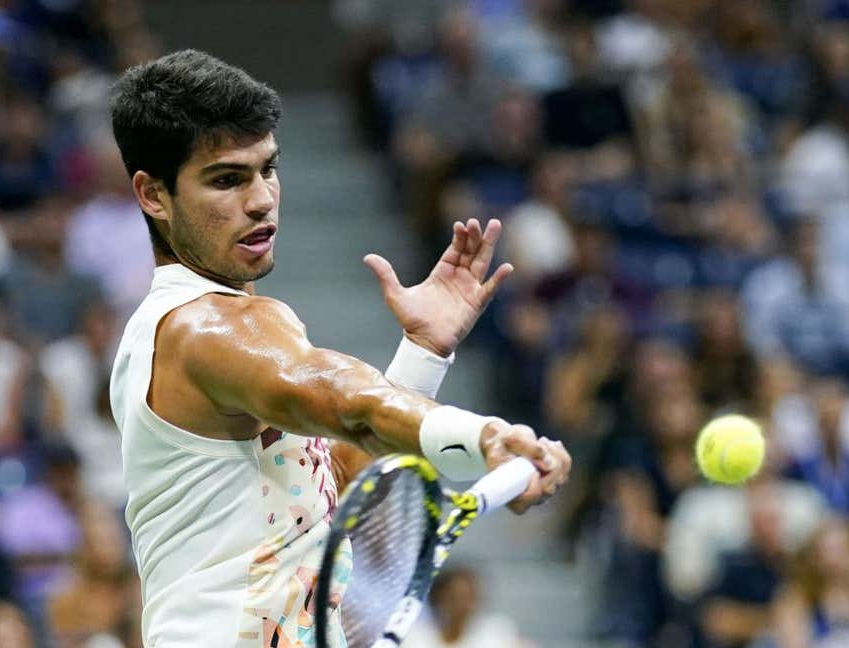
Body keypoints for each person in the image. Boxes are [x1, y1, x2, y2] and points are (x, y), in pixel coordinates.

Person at [107, 49, 571, 647]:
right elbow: (344, 399)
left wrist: (423, 354)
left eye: (267, 169)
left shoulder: (236, 334)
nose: (261, 199)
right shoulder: (198, 330)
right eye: (227, 178)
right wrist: (485, 439)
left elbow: (345, 484)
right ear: (153, 195)